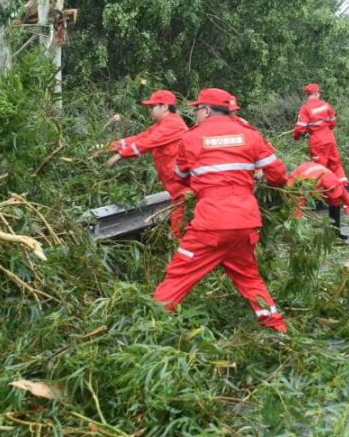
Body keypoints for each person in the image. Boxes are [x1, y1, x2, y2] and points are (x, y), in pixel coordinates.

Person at [153, 88, 290, 332]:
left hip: (210, 224)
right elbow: (279, 175)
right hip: (245, 222)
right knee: (249, 277)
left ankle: (153, 325)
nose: (194, 114)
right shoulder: (251, 135)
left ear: (206, 110)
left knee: (178, 274)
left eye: (196, 109)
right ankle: (277, 328)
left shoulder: (191, 138)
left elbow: (180, 176)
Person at [107, 89, 189, 238]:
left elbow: (148, 143)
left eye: (152, 107)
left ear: (164, 107)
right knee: (179, 227)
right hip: (177, 187)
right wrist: (107, 147)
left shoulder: (173, 124)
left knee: (180, 230)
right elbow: (140, 138)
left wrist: (120, 155)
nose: (150, 111)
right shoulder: (161, 125)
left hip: (183, 188)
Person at [290, 161, 349, 238]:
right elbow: (299, 202)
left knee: (335, 201)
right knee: (292, 203)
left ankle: (335, 233)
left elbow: (348, 200)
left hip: (320, 178)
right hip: (300, 176)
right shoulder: (312, 184)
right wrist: (298, 224)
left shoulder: (336, 183)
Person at [293, 83, 348, 185]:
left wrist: (295, 137)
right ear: (317, 93)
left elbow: (300, 128)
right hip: (330, 139)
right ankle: (343, 189)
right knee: (336, 165)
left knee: (319, 170)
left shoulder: (305, 109)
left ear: (307, 95)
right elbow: (333, 122)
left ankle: (325, 194)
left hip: (318, 142)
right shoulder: (326, 105)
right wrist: (327, 130)